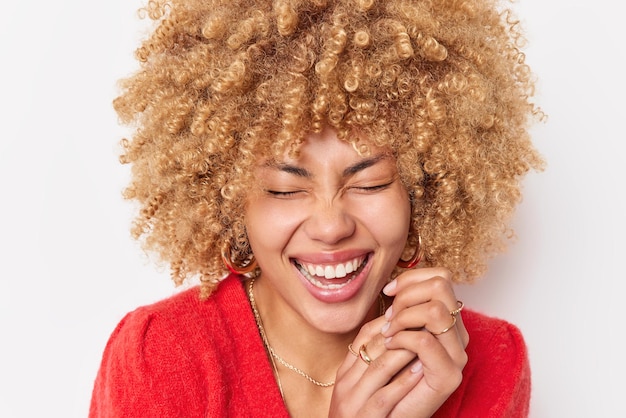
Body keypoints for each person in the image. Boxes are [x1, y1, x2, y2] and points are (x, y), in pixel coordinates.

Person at [89, 0, 544, 416]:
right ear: (229, 203)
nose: (331, 226)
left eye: (370, 182)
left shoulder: (488, 361)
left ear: (421, 191)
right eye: (286, 189)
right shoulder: (164, 358)